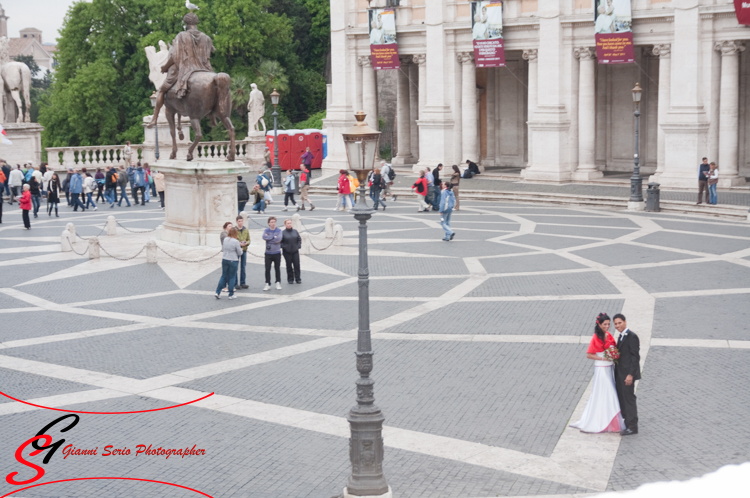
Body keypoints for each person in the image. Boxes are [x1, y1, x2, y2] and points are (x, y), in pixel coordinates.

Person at [570, 313, 625, 434]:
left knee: (607, 392)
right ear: (599, 324)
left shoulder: (609, 335)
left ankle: (611, 421)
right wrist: (604, 358)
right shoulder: (596, 337)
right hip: (601, 369)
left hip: (609, 368)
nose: (607, 326)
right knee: (608, 392)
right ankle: (608, 421)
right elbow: (589, 354)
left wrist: (613, 356)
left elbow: (613, 348)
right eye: (605, 324)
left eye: (608, 324)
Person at [613, 313, 641, 436]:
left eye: (619, 323)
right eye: (616, 324)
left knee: (629, 399)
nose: (618, 325)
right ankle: (627, 422)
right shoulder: (621, 336)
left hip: (627, 375)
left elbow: (635, 358)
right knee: (623, 398)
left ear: (625, 322)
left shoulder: (632, 337)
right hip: (620, 374)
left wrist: (630, 375)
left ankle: (632, 426)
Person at [215, 227, 242, 300]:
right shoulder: (236, 241)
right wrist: (241, 250)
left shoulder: (225, 239)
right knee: (232, 277)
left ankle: (217, 292)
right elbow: (239, 253)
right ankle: (231, 294)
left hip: (225, 259)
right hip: (233, 260)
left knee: (223, 276)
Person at [262, 216, 283, 291]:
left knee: (277, 268)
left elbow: (278, 239)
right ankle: (267, 283)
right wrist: (273, 237)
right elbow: (264, 237)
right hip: (268, 253)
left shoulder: (279, 230)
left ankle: (278, 282)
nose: (273, 223)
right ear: (269, 223)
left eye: (274, 222)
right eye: (271, 222)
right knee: (267, 269)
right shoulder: (266, 230)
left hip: (277, 252)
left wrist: (269, 238)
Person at [281, 218, 302, 284]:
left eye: (290, 223)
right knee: (289, 265)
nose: (289, 224)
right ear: (285, 225)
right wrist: (285, 247)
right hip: (287, 252)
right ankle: (290, 279)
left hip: (295, 251)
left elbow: (299, 239)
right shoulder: (283, 233)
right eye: (288, 223)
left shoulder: (295, 231)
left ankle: (298, 278)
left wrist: (298, 246)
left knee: (297, 265)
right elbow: (280, 242)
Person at [236, 215, 250, 290]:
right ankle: (235, 283)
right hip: (236, 250)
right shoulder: (234, 230)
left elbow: (249, 239)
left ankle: (242, 282)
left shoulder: (246, 230)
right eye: (239, 221)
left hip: (244, 249)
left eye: (241, 221)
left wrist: (246, 243)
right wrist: (239, 243)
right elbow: (233, 239)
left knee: (243, 266)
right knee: (235, 267)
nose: (240, 222)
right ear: (237, 222)